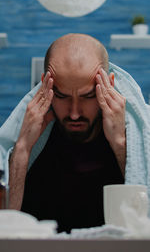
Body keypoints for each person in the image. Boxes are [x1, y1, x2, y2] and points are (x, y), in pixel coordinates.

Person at [0, 33, 150, 233]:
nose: (74, 113)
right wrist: (22, 149)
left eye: (88, 96)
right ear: (46, 85)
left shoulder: (133, 135)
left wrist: (121, 143)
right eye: (62, 96)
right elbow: (5, 228)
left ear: (108, 85)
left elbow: (143, 225)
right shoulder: (32, 135)